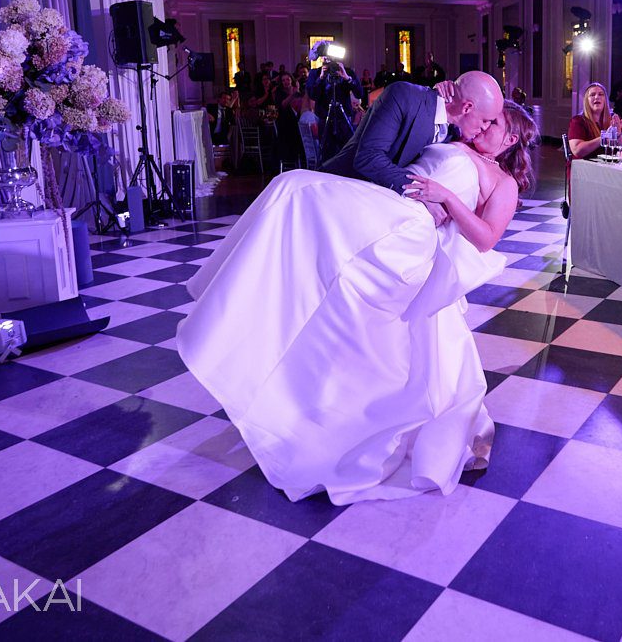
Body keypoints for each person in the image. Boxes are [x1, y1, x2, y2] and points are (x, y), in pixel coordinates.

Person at [176, 101, 539, 504]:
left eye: (494, 124)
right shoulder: (455, 139)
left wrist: (447, 199)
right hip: (387, 204)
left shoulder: (501, 180)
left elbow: (487, 239)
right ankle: (241, 298)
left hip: (410, 229)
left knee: (298, 188)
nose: (484, 125)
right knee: (292, 187)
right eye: (484, 118)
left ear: (508, 140)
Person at [322, 70, 504, 225]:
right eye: (485, 120)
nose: (485, 127)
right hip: (335, 196)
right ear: (467, 108)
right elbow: (368, 157)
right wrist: (421, 193)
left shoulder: (452, 133)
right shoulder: (404, 95)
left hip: (380, 211)